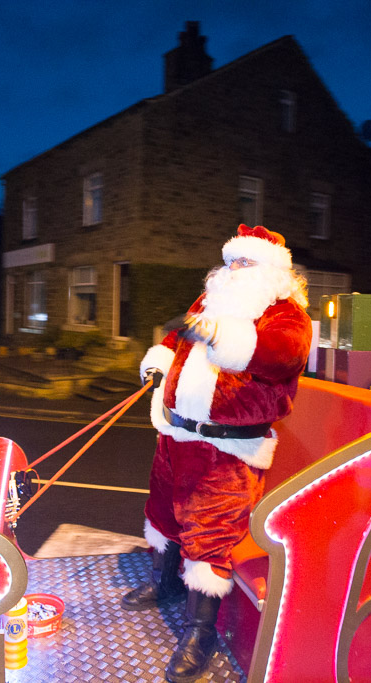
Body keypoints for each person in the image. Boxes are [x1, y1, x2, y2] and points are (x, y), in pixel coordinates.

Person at [124, 224, 312, 682]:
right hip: (175, 435)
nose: (233, 271)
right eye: (230, 262)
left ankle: (199, 632)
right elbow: (176, 344)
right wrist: (159, 362)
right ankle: (166, 582)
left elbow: (282, 355)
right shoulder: (207, 304)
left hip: (226, 449)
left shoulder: (285, 315)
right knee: (165, 513)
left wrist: (220, 335)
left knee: (209, 535)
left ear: (271, 271)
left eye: (244, 263)